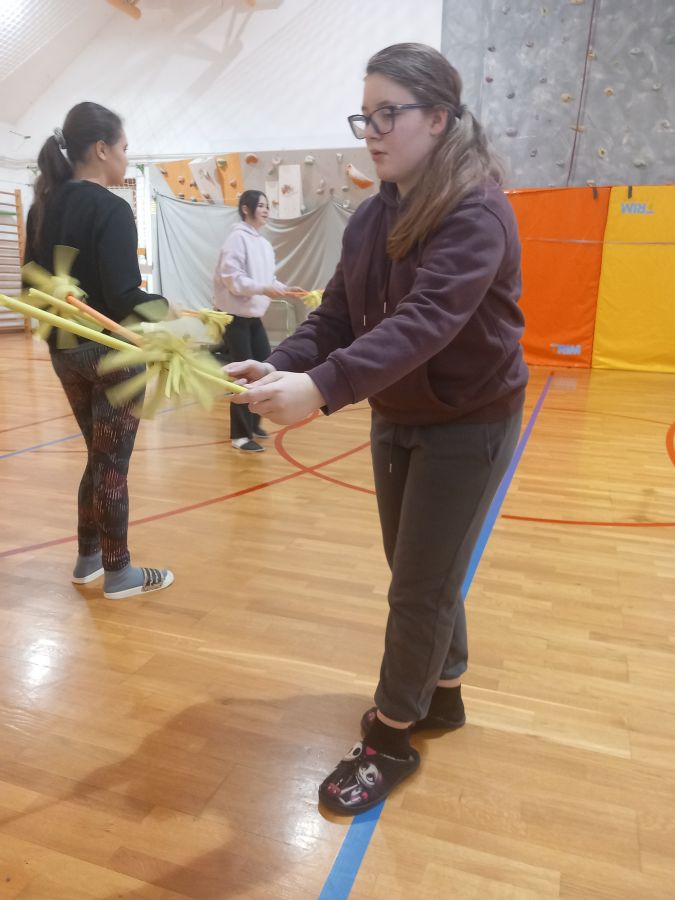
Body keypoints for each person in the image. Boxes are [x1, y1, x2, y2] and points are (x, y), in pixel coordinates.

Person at [226, 42, 528, 814]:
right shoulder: (370, 217)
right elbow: (335, 316)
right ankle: (444, 694)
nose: (371, 130)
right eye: (365, 115)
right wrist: (279, 364)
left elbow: (425, 322)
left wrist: (321, 390)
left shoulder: (475, 211)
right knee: (419, 569)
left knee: (419, 584)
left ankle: (391, 738)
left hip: (469, 419)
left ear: (439, 118)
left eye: (388, 113)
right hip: (399, 413)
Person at [24, 102, 174, 601]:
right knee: (112, 464)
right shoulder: (111, 208)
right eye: (125, 148)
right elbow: (125, 297)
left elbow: (31, 285)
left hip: (65, 352)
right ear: (102, 149)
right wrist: (168, 309)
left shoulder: (42, 205)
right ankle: (119, 571)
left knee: (98, 455)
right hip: (112, 354)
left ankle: (88, 558)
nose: (127, 159)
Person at [213, 190, 302, 453]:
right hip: (234, 319)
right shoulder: (236, 239)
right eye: (261, 205)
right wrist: (264, 288)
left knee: (264, 367)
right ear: (245, 209)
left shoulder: (262, 243)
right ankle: (240, 435)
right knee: (242, 376)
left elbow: (267, 280)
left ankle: (253, 423)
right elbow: (233, 279)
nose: (265, 210)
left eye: (267, 206)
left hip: (253, 319)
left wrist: (285, 289)